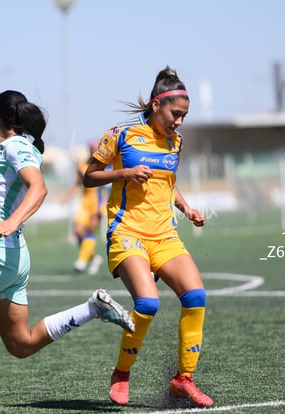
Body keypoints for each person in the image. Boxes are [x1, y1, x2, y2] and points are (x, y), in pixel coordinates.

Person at [83, 67, 214, 408]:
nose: (179, 122)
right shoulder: (121, 133)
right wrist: (125, 173)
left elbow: (168, 184)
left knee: (196, 296)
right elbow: (89, 176)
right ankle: (122, 374)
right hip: (127, 232)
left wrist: (187, 208)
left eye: (184, 116)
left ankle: (183, 379)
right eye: (176, 114)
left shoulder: (176, 141)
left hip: (164, 234)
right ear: (157, 105)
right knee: (148, 303)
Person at [0, 90, 134, 363]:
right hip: (12, 255)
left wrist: (11, 221)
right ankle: (92, 309)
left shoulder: (14, 146)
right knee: (21, 343)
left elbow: (39, 188)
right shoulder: (8, 151)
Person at [62, 140, 107, 275]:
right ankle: (94, 258)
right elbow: (77, 183)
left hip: (98, 204)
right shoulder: (82, 166)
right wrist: (67, 197)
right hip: (85, 204)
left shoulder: (104, 164)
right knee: (78, 231)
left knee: (90, 232)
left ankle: (81, 261)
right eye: (91, 148)